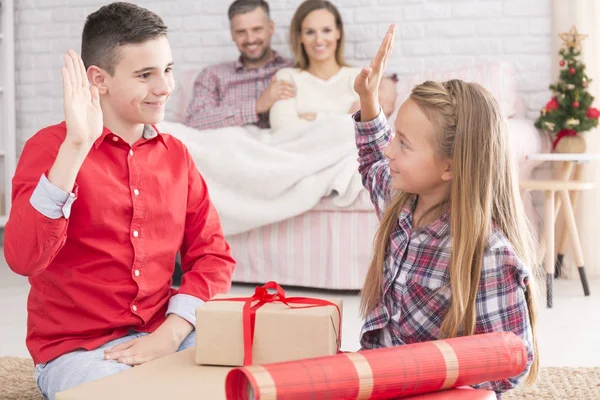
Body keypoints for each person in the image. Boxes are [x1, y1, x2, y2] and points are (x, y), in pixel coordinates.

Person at [3, 3, 235, 399]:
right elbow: (23, 258)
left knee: (243, 378)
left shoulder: (176, 154)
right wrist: (76, 146)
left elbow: (213, 255)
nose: (163, 87)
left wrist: (169, 334)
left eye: (167, 69)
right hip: (77, 352)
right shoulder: (50, 149)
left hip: (165, 335)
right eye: (145, 75)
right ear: (99, 80)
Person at [354, 25, 539, 397]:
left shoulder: (489, 253)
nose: (391, 151)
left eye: (403, 144)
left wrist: (434, 375)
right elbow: (374, 156)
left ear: (450, 166)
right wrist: (369, 100)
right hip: (384, 379)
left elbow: (511, 363)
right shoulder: (400, 204)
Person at [184, 0, 294, 130]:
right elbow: (194, 122)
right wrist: (256, 106)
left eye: (257, 29)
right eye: (241, 32)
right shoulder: (212, 75)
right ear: (232, 34)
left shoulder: (293, 69)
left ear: (271, 28)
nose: (250, 39)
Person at [268, 0, 360, 131]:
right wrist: (345, 118)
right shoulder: (287, 77)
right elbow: (282, 127)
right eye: (310, 32)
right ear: (300, 36)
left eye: (326, 30)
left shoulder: (359, 77)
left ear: (338, 32)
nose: (319, 40)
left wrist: (313, 117)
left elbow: (366, 130)